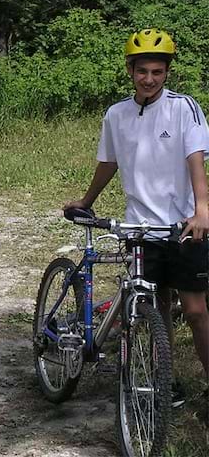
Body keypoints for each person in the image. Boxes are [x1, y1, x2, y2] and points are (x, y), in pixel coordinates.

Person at [64, 28, 209, 407]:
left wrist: (202, 210)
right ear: (130, 70)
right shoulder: (117, 114)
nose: (149, 79)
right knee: (154, 308)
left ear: (167, 73)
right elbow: (109, 162)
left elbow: (195, 160)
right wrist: (86, 199)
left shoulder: (183, 108)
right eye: (142, 71)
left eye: (157, 72)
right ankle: (165, 381)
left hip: (182, 226)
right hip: (140, 228)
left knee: (194, 311)